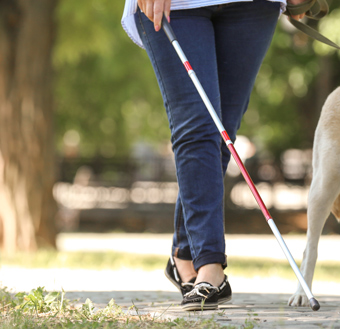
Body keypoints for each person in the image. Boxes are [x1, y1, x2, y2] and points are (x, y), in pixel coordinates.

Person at [121, 0, 306, 311]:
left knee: (221, 135)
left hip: (252, 6)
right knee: (198, 128)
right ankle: (210, 268)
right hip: (178, 6)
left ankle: (184, 253)